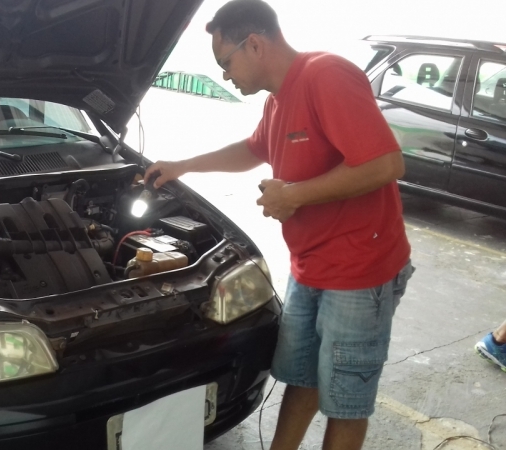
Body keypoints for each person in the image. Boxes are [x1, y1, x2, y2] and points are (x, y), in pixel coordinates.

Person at [143, 1, 414, 449]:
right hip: (311, 266)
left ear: (254, 44)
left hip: (359, 272)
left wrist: (294, 195)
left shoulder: (325, 75)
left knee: (345, 401)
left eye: (225, 62)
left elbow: (386, 163)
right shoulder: (277, 100)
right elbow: (253, 149)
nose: (225, 75)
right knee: (301, 378)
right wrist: (183, 165)